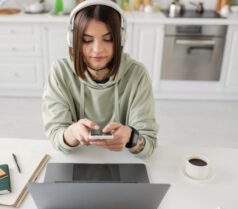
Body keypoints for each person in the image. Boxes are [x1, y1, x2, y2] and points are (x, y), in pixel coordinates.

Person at [42, 0, 158, 157]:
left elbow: (149, 144)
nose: (97, 49)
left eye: (108, 38)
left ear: (120, 39)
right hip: (78, 159)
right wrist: (72, 133)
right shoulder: (60, 72)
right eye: (87, 39)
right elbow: (56, 137)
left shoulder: (137, 75)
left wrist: (131, 137)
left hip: (123, 160)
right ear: (73, 40)